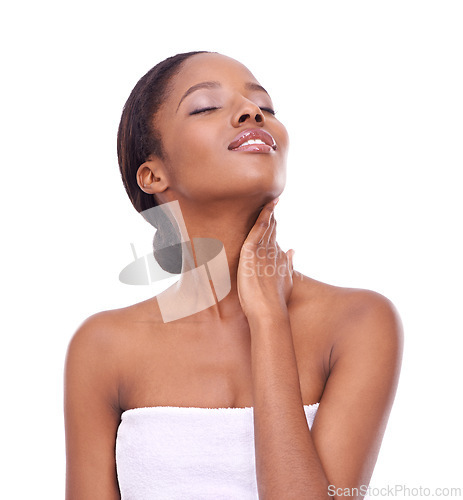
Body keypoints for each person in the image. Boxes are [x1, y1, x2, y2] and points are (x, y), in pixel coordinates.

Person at [64, 51, 403, 499]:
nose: (252, 112)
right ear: (153, 174)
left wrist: (269, 320)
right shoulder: (103, 347)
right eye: (205, 106)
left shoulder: (360, 322)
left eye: (265, 105)